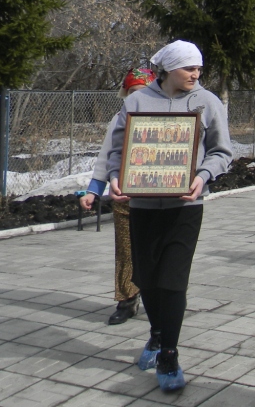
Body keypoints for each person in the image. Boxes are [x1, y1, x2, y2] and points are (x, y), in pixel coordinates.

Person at [105, 40, 232, 392]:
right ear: (169, 69)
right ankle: (156, 335)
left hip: (185, 207)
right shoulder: (137, 101)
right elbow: (117, 149)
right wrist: (116, 178)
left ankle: (169, 354)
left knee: (173, 279)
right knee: (147, 277)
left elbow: (223, 151)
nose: (196, 74)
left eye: (199, 68)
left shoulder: (207, 102)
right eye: (189, 68)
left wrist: (202, 176)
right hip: (143, 206)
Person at [79, 67, 157, 325]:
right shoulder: (119, 119)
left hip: (161, 196)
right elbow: (106, 155)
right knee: (126, 250)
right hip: (125, 194)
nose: (138, 97)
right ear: (125, 94)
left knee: (160, 250)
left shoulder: (168, 116)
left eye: (144, 91)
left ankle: (163, 298)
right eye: (133, 92)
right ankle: (127, 300)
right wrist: (94, 189)